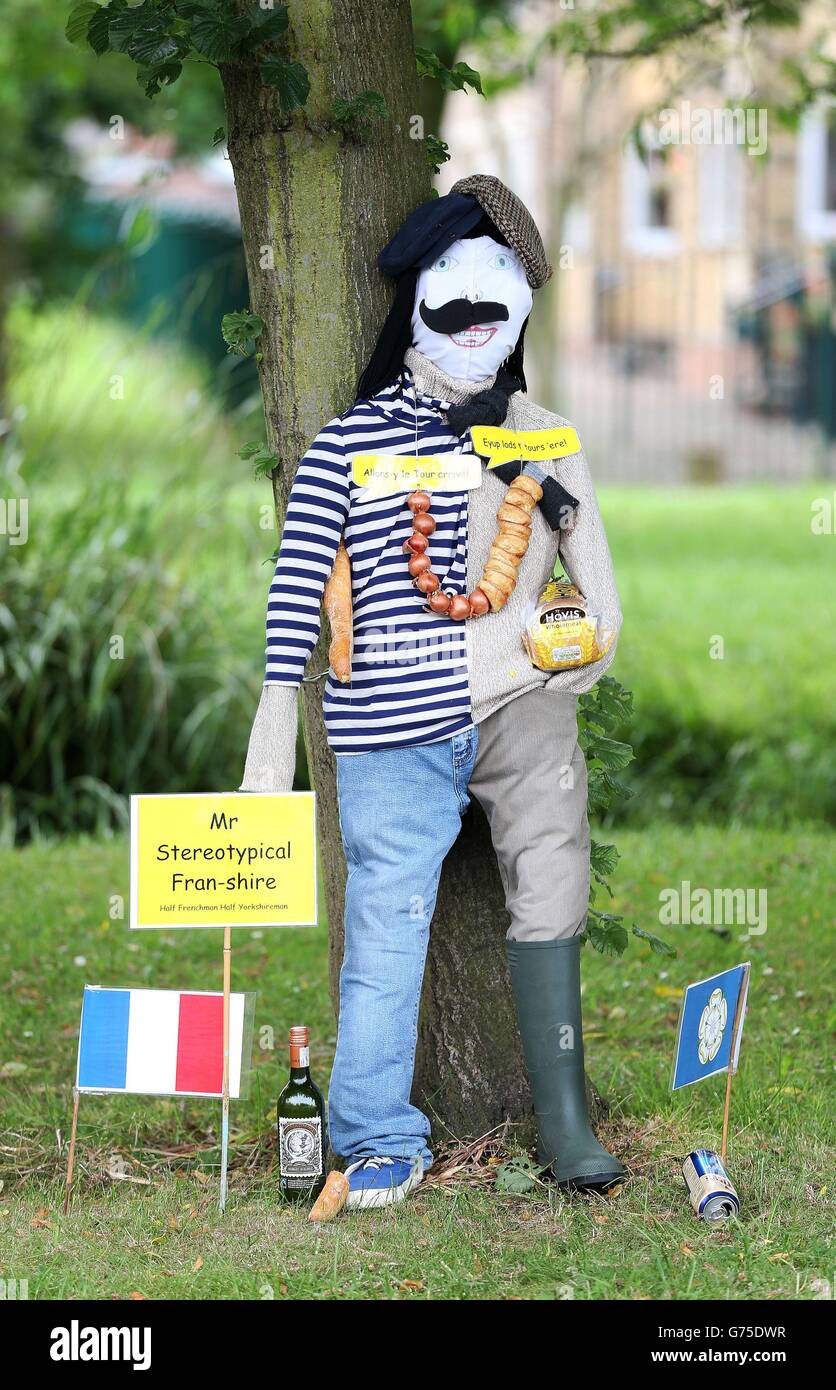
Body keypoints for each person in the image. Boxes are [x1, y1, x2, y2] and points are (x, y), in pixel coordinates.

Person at [242, 175, 626, 1209]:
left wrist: (576, 656)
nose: (471, 319)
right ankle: (376, 1135)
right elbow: (294, 591)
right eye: (450, 298)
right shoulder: (346, 445)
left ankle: (561, 1119)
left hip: (518, 703)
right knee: (385, 921)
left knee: (553, 876)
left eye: (494, 298)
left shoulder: (541, 438)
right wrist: (272, 734)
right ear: (415, 305)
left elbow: (600, 590)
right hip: (389, 722)